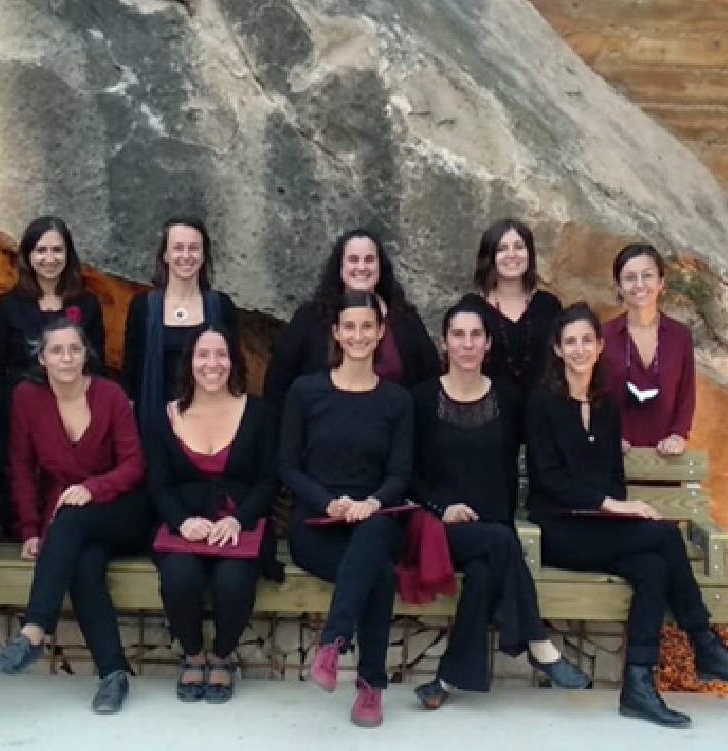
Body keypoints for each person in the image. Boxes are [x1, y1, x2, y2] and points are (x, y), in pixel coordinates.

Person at [526, 302, 728, 728]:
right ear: (558, 350)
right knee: (665, 537)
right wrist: (614, 506)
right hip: (557, 529)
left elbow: (614, 478)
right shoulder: (542, 403)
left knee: (653, 568)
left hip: (599, 530)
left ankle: (638, 685)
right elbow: (550, 480)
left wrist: (613, 506)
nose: (579, 349)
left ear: (599, 346)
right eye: (570, 342)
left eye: (587, 340)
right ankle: (704, 642)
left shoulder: (606, 407)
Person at [408, 297, 589, 708]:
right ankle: (539, 643)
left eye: (476, 335)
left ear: (488, 344)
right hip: (438, 529)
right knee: (501, 544)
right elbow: (406, 474)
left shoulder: (510, 399)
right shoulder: (420, 399)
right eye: (458, 335)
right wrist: (441, 508)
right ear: (444, 343)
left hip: (492, 532)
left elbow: (549, 439)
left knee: (486, 573)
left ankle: (444, 681)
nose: (467, 344)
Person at [0, 318, 153, 715]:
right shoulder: (27, 398)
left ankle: (33, 630)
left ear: (85, 355)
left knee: (72, 519)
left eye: (74, 350)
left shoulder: (110, 395)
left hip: (125, 510)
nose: (66, 358)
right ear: (42, 358)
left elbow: (134, 465)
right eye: (57, 351)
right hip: (71, 523)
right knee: (83, 564)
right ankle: (113, 675)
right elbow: (21, 468)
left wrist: (93, 489)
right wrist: (29, 531)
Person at [278, 290, 412, 728]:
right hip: (316, 524)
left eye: (367, 327)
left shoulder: (397, 401)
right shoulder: (306, 391)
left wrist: (371, 503)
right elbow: (287, 465)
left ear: (380, 332)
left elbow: (400, 474)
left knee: (373, 539)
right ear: (335, 332)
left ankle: (333, 642)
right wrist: (328, 502)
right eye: (349, 326)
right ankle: (371, 685)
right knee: (378, 573)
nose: (358, 335)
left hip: (375, 520)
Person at [145, 324, 278, 704]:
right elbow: (157, 485)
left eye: (221, 354)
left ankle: (221, 656)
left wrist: (238, 520)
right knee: (180, 576)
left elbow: (269, 480)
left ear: (234, 361)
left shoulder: (259, 413)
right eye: (203, 355)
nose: (212, 364)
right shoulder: (163, 417)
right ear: (189, 363)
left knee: (232, 581)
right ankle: (193, 655)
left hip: (242, 523)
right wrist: (182, 522)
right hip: (184, 524)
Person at [0, 216, 105, 532]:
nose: (49, 259)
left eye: (57, 250)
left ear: (68, 255)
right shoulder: (10, 305)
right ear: (28, 256)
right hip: (20, 407)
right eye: (41, 250)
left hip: (74, 409)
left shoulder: (87, 304)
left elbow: (96, 365)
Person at [264, 228, 437, 411]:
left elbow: (429, 380)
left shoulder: (405, 318)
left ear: (380, 267)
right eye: (353, 259)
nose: (361, 267)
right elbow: (279, 382)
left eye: (369, 260)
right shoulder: (310, 318)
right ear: (340, 266)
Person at [121, 216, 239, 424]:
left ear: (203, 255)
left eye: (194, 248)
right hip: (154, 423)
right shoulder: (142, 307)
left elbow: (235, 371)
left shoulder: (221, 306)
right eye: (178, 248)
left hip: (210, 423)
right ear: (165, 255)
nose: (186, 255)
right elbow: (130, 375)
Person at [601, 244, 695, 455]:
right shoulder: (604, 336)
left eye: (647, 276)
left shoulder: (680, 337)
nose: (639, 284)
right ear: (618, 286)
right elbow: (592, 394)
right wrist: (606, 433)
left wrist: (678, 435)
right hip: (614, 454)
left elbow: (686, 393)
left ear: (661, 282)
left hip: (665, 456)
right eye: (630, 278)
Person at [467, 218, 562, 392]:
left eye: (519, 247)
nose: (511, 254)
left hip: (541, 404)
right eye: (502, 249)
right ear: (490, 257)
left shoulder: (549, 306)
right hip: (489, 404)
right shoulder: (472, 309)